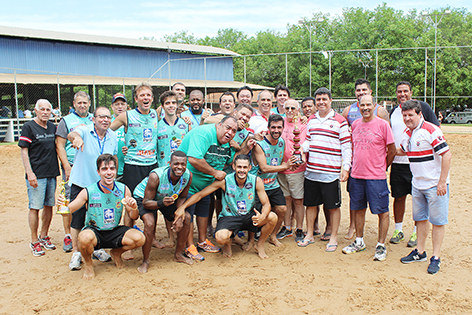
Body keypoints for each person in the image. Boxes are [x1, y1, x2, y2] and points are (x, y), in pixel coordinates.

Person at [57, 154, 145, 279]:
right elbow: (70, 209)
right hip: (95, 231)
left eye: (112, 169)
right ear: (98, 172)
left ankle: (116, 253)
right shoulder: (89, 191)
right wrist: (62, 205)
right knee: (83, 238)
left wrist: (134, 207)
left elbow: (133, 216)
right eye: (104, 169)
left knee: (139, 238)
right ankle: (88, 264)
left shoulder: (123, 189)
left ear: (115, 170)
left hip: (114, 231)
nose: (109, 173)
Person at [177, 155, 277, 259]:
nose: (241, 170)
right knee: (220, 238)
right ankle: (228, 243)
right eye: (239, 167)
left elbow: (266, 204)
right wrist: (182, 207)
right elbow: (200, 195)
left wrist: (262, 215)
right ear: (234, 167)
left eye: (244, 167)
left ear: (249, 168)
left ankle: (259, 245)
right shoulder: (225, 181)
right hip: (230, 216)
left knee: (272, 217)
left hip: (249, 215)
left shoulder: (256, 181)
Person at [398, 100, 451, 274]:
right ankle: (420, 251)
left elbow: (446, 154)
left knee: (437, 221)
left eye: (410, 115)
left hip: (434, 185)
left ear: (419, 114)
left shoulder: (431, 130)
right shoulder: (408, 133)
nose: (407, 118)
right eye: (404, 115)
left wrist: (442, 181)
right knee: (420, 219)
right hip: (418, 184)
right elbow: (401, 151)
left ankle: (435, 257)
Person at [342, 95, 396, 260]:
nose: (365, 108)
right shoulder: (356, 124)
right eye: (362, 105)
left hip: (376, 177)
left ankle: (380, 245)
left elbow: (392, 150)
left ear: (374, 106)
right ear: (358, 106)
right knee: (358, 209)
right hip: (357, 175)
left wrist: (383, 167)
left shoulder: (383, 125)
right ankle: (359, 241)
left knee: (382, 211)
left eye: (368, 105)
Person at [178, 116, 239, 260]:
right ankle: (189, 246)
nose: (230, 132)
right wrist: (214, 172)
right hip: (188, 183)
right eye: (228, 128)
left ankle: (202, 241)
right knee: (188, 215)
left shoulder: (226, 143)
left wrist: (243, 147)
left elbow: (230, 162)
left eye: (234, 131)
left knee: (204, 212)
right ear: (219, 125)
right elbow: (193, 158)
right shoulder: (204, 133)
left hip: (206, 185)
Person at [110, 83, 159, 259]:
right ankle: (127, 244)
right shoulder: (126, 116)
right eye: (142, 95)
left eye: (148, 95)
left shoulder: (156, 113)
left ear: (152, 98)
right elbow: (108, 131)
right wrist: (120, 146)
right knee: (130, 203)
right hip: (133, 166)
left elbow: (173, 111)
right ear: (136, 99)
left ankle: (150, 238)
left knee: (151, 203)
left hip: (152, 165)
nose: (145, 98)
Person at [299, 87, 351, 251]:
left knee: (333, 206)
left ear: (330, 101)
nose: (321, 102)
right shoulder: (312, 120)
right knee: (311, 205)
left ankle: (333, 237)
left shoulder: (340, 121)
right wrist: (301, 148)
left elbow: (346, 146)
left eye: (324, 99)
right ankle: (309, 235)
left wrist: (346, 167)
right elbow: (309, 140)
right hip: (312, 171)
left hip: (330, 172)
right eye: (318, 99)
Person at [389, 81, 440, 247]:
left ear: (411, 92)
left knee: (419, 199)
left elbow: (436, 129)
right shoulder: (393, 112)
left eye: (405, 91)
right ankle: (398, 230)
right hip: (398, 162)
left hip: (417, 164)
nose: (402, 94)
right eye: (399, 91)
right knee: (398, 197)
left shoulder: (422, 107)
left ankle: (417, 232)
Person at [67, 106, 118, 270]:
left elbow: (113, 157)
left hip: (101, 185)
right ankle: (76, 253)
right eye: (101, 117)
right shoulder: (84, 130)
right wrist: (76, 139)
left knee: (98, 216)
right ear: (93, 119)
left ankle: (97, 249)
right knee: (77, 219)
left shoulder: (113, 136)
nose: (105, 120)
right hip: (81, 182)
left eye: (108, 117)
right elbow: (72, 135)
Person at [133, 151, 193, 273]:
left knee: (186, 217)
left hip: (167, 198)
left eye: (183, 164)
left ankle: (178, 255)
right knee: (150, 223)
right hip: (146, 198)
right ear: (169, 163)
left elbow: (182, 197)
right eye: (176, 164)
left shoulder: (188, 175)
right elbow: (146, 202)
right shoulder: (156, 176)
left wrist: (178, 215)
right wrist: (161, 204)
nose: (180, 167)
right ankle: (146, 261)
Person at [19, 99, 60, 256]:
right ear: (36, 111)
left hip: (51, 173)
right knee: (35, 207)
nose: (45, 112)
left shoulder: (52, 127)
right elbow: (24, 151)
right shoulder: (28, 127)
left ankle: (44, 235)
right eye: (42, 109)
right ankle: (34, 240)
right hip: (37, 174)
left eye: (48, 109)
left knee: (49, 205)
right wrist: (30, 173)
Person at [251, 114, 298, 246]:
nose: (276, 130)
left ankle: (273, 236)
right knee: (257, 214)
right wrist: (284, 166)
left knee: (282, 209)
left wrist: (291, 165)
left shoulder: (282, 142)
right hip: (258, 185)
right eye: (273, 127)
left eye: (279, 127)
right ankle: (253, 238)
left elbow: (281, 160)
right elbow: (264, 168)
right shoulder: (259, 145)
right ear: (268, 127)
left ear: (283, 128)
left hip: (273, 184)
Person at [55, 91, 93, 252]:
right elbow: (60, 145)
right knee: (70, 203)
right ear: (74, 104)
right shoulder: (67, 120)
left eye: (85, 102)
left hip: (91, 167)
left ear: (89, 104)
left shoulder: (95, 118)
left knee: (91, 202)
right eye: (79, 103)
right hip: (73, 167)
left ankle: (89, 234)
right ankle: (68, 236)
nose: (82, 105)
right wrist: (67, 167)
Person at [276, 99, 307, 243]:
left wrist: (298, 161)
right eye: (286, 107)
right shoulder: (279, 122)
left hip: (297, 169)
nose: (289, 110)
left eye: (293, 108)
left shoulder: (303, 124)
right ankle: (287, 227)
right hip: (282, 168)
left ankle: (299, 228)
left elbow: (305, 144)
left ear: (298, 110)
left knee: (298, 200)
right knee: (286, 200)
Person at [157, 91, 191, 167]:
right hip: (163, 168)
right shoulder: (157, 125)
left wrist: (184, 144)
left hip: (181, 168)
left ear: (177, 105)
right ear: (162, 106)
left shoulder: (186, 124)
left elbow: (192, 146)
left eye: (173, 103)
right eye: (167, 103)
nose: (171, 105)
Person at [110, 93, 127, 181]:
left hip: (129, 168)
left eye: (122, 104)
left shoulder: (132, 121)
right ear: (112, 106)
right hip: (113, 170)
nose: (120, 107)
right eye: (117, 104)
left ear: (126, 106)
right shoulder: (107, 122)